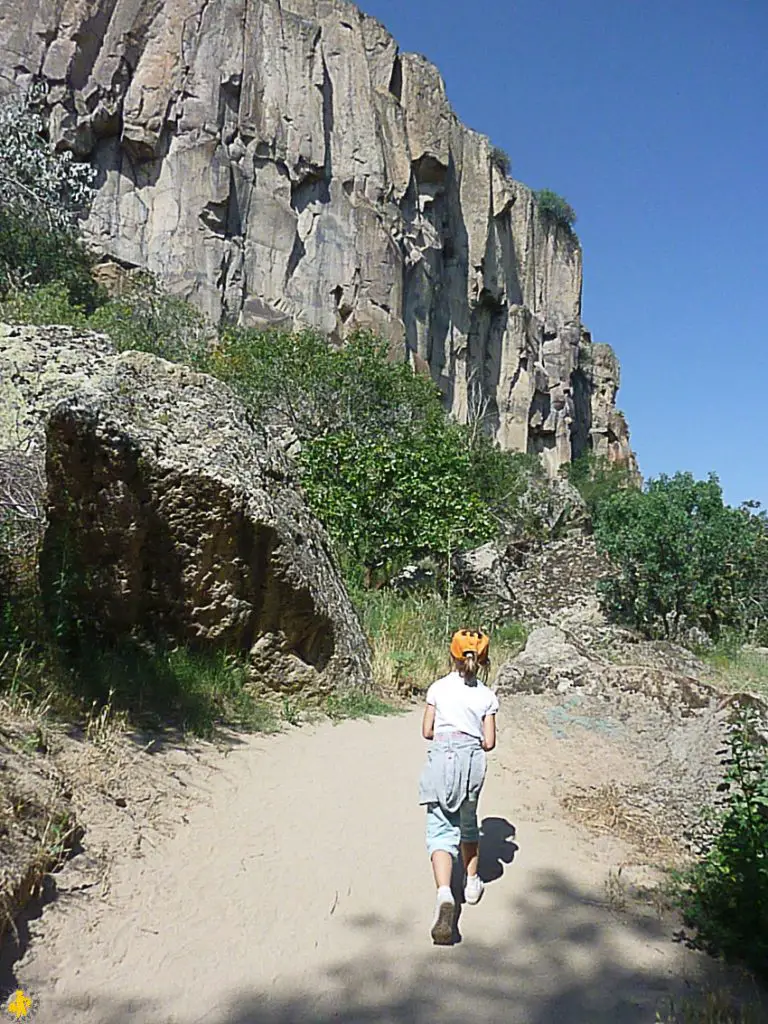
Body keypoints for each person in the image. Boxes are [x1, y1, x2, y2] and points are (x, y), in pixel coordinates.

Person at [418, 628, 499, 945]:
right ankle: (472, 882)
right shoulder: (487, 696)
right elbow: (489, 742)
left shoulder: (438, 688)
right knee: (469, 821)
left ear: (452, 655)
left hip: (441, 760)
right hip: (472, 762)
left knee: (440, 826)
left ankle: (444, 895)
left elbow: (427, 730)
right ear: (483, 659)